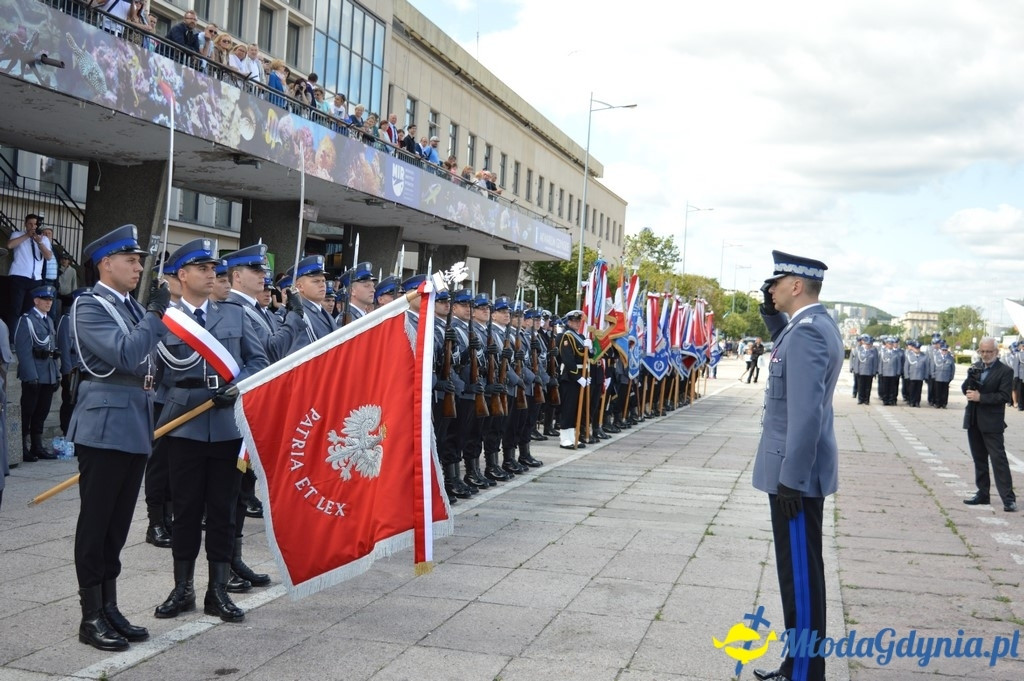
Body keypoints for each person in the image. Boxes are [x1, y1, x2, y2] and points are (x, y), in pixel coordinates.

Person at [153, 239, 268, 624]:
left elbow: (257, 361)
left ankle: (217, 590)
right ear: (181, 275)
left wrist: (238, 386)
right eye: (201, 268)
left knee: (222, 509)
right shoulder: (164, 318)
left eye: (213, 269)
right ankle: (182, 588)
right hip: (183, 425)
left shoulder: (233, 316)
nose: (210, 275)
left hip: (225, 427)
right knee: (184, 511)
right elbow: (152, 374)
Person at [69, 225, 169, 651]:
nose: (138, 266)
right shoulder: (89, 307)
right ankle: (90, 615)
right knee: (97, 523)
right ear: (104, 263)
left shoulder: (129, 308)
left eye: (140, 259)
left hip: (133, 421)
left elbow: (150, 363)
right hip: (105, 424)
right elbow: (127, 354)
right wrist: (154, 315)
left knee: (117, 524)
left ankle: (109, 606)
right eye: (130, 259)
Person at [751, 251, 843, 681]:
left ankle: (805, 673)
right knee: (798, 574)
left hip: (796, 478)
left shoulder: (808, 333)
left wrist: (790, 480)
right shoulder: (811, 326)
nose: (769, 289)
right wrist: (772, 320)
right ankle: (798, 663)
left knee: (801, 580)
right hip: (798, 473)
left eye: (775, 282)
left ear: (795, 286)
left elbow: (805, 414)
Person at [962, 337, 1016, 512]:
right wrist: (970, 379)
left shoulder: (1005, 371)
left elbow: (1004, 396)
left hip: (992, 422)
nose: (985, 355)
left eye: (989, 351)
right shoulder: (976, 367)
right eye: (982, 351)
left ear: (996, 352)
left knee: (998, 460)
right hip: (973, 419)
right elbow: (966, 389)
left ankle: (1008, 499)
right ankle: (983, 494)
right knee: (979, 460)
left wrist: (981, 397)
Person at [14, 285, 60, 462]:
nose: (49, 303)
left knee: (42, 412)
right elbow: (24, 351)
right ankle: (22, 447)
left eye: (50, 300)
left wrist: (55, 374)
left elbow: (52, 350)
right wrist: (31, 375)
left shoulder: (48, 320)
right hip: (34, 373)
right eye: (45, 300)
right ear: (36, 301)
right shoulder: (27, 320)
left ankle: (37, 446)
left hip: (47, 372)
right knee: (28, 411)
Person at [7, 213, 53, 336]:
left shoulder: (43, 239)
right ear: (25, 224)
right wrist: (27, 235)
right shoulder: (17, 234)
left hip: (35, 279)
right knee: (15, 310)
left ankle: (27, 337)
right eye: (30, 224)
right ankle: (12, 339)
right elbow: (10, 245)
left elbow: (48, 257)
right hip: (19, 277)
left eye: (35, 224)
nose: (33, 226)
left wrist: (39, 242)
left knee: (30, 310)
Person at [558, 310, 592, 449]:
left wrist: (590, 349)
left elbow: (586, 357)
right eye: (574, 321)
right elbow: (568, 359)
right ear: (568, 322)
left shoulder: (581, 336)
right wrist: (578, 377)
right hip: (570, 376)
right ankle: (564, 438)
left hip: (581, 375)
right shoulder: (566, 337)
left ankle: (573, 436)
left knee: (576, 407)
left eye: (579, 321)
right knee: (568, 407)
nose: (577, 323)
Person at [930, 341, 955, 408]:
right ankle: (937, 403)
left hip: (946, 377)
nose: (944, 351)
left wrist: (951, 377)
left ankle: (944, 404)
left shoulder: (950, 358)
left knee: (945, 392)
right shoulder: (936, 357)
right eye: (943, 350)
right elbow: (933, 366)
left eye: (945, 350)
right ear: (940, 350)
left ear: (947, 350)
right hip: (938, 376)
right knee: (937, 391)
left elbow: (953, 368)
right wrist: (933, 375)